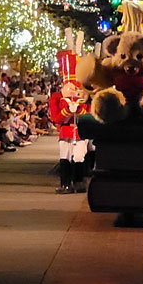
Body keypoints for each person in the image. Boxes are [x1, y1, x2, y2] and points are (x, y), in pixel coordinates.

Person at [49, 50, 88, 193]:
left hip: (80, 131)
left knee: (79, 157)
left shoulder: (85, 98)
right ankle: (65, 183)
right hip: (66, 130)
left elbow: (89, 114)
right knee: (64, 156)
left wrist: (78, 109)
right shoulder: (57, 98)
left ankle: (79, 182)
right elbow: (56, 118)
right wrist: (67, 110)